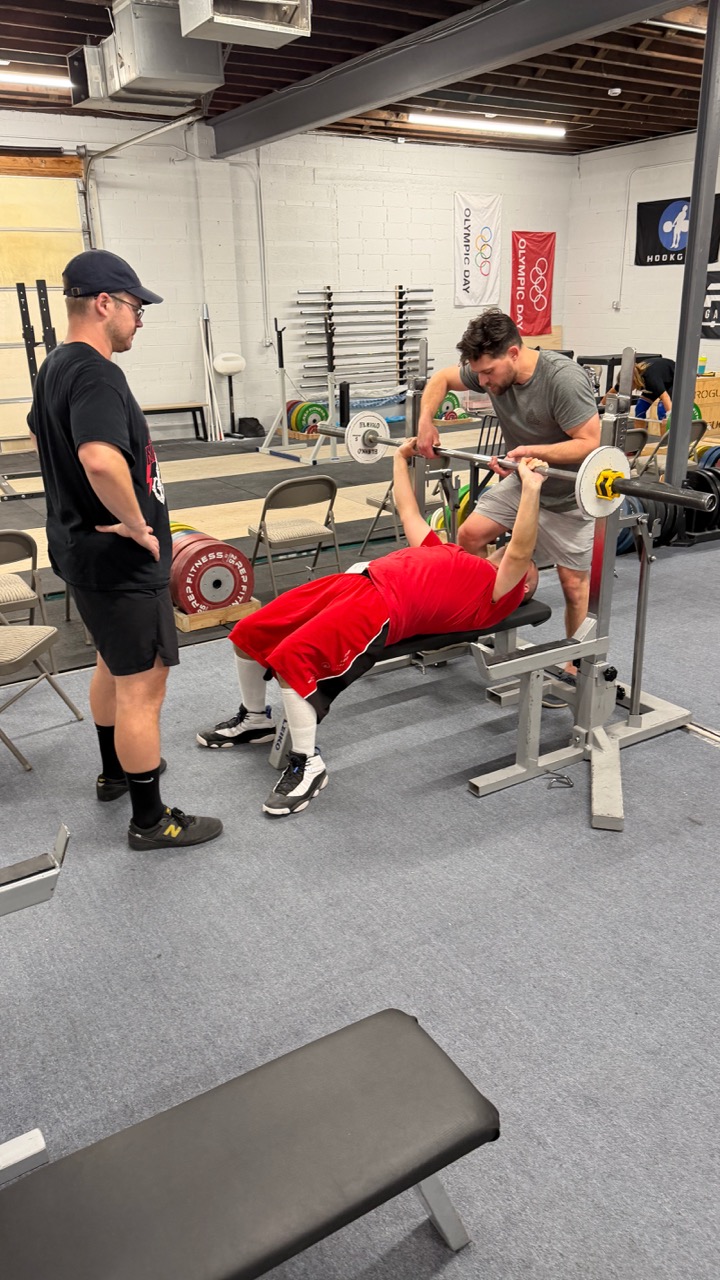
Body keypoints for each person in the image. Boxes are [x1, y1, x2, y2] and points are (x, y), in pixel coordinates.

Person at [196, 439, 545, 817]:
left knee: (294, 660)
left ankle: (307, 764)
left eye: (526, 569)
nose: (509, 553)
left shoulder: (497, 594)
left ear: (523, 587)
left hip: (382, 607)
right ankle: (254, 720)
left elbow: (521, 549)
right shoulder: (451, 553)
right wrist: (400, 458)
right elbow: (408, 511)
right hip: (353, 583)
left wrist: (531, 489)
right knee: (250, 631)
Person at [28, 248, 222, 851]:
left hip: (79, 552)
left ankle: (115, 773)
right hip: (119, 561)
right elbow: (97, 458)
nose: (140, 319)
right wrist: (138, 524)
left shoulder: (54, 365)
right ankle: (150, 819)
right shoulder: (96, 372)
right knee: (144, 688)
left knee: (110, 664)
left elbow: (41, 433)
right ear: (104, 304)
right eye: (136, 308)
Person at [416, 309, 600, 696]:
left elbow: (590, 443)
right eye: (478, 374)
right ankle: (491, 607)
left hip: (567, 493)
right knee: (469, 535)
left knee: (573, 585)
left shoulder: (562, 379)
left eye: (488, 373)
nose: (482, 382)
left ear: (513, 353)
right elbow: (442, 378)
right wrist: (425, 420)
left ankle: (576, 665)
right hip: (522, 479)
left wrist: (532, 452)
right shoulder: (490, 370)